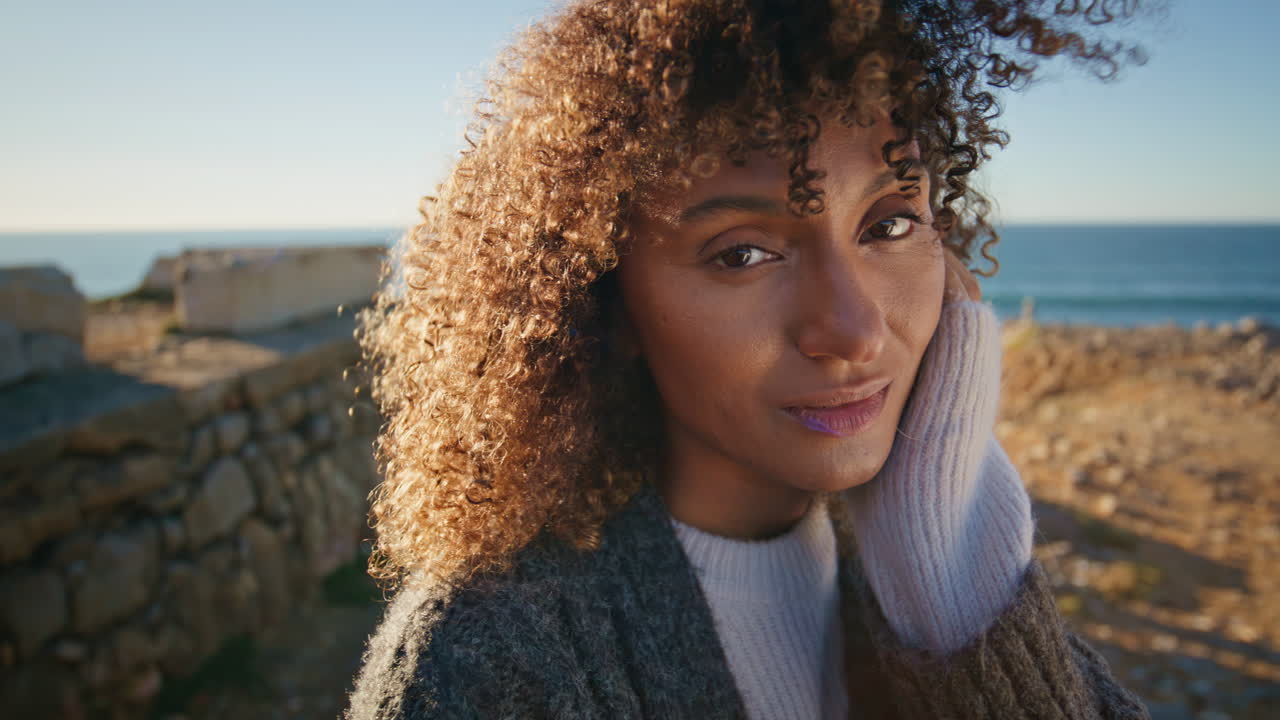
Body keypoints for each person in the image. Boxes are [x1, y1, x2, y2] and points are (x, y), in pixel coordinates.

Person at [346, 1, 1152, 717]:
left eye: (890, 225)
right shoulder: (491, 662)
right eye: (742, 255)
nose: (854, 330)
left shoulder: (924, 576)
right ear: (601, 298)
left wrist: (954, 602)